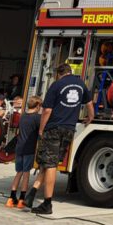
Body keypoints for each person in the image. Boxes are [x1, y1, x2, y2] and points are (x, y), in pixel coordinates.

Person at [24, 63, 93, 215]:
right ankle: (32, 193)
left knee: (50, 165)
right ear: (70, 72)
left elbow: (47, 110)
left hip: (54, 128)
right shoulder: (81, 84)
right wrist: (90, 117)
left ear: (58, 73)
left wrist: (41, 129)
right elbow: (89, 103)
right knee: (50, 162)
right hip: (69, 129)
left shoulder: (56, 85)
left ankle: (47, 204)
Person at [7, 95, 41, 209]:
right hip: (29, 148)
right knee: (26, 174)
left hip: (19, 148)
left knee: (18, 173)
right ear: (37, 106)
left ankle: (11, 198)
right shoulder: (37, 118)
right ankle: (22, 199)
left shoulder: (23, 116)